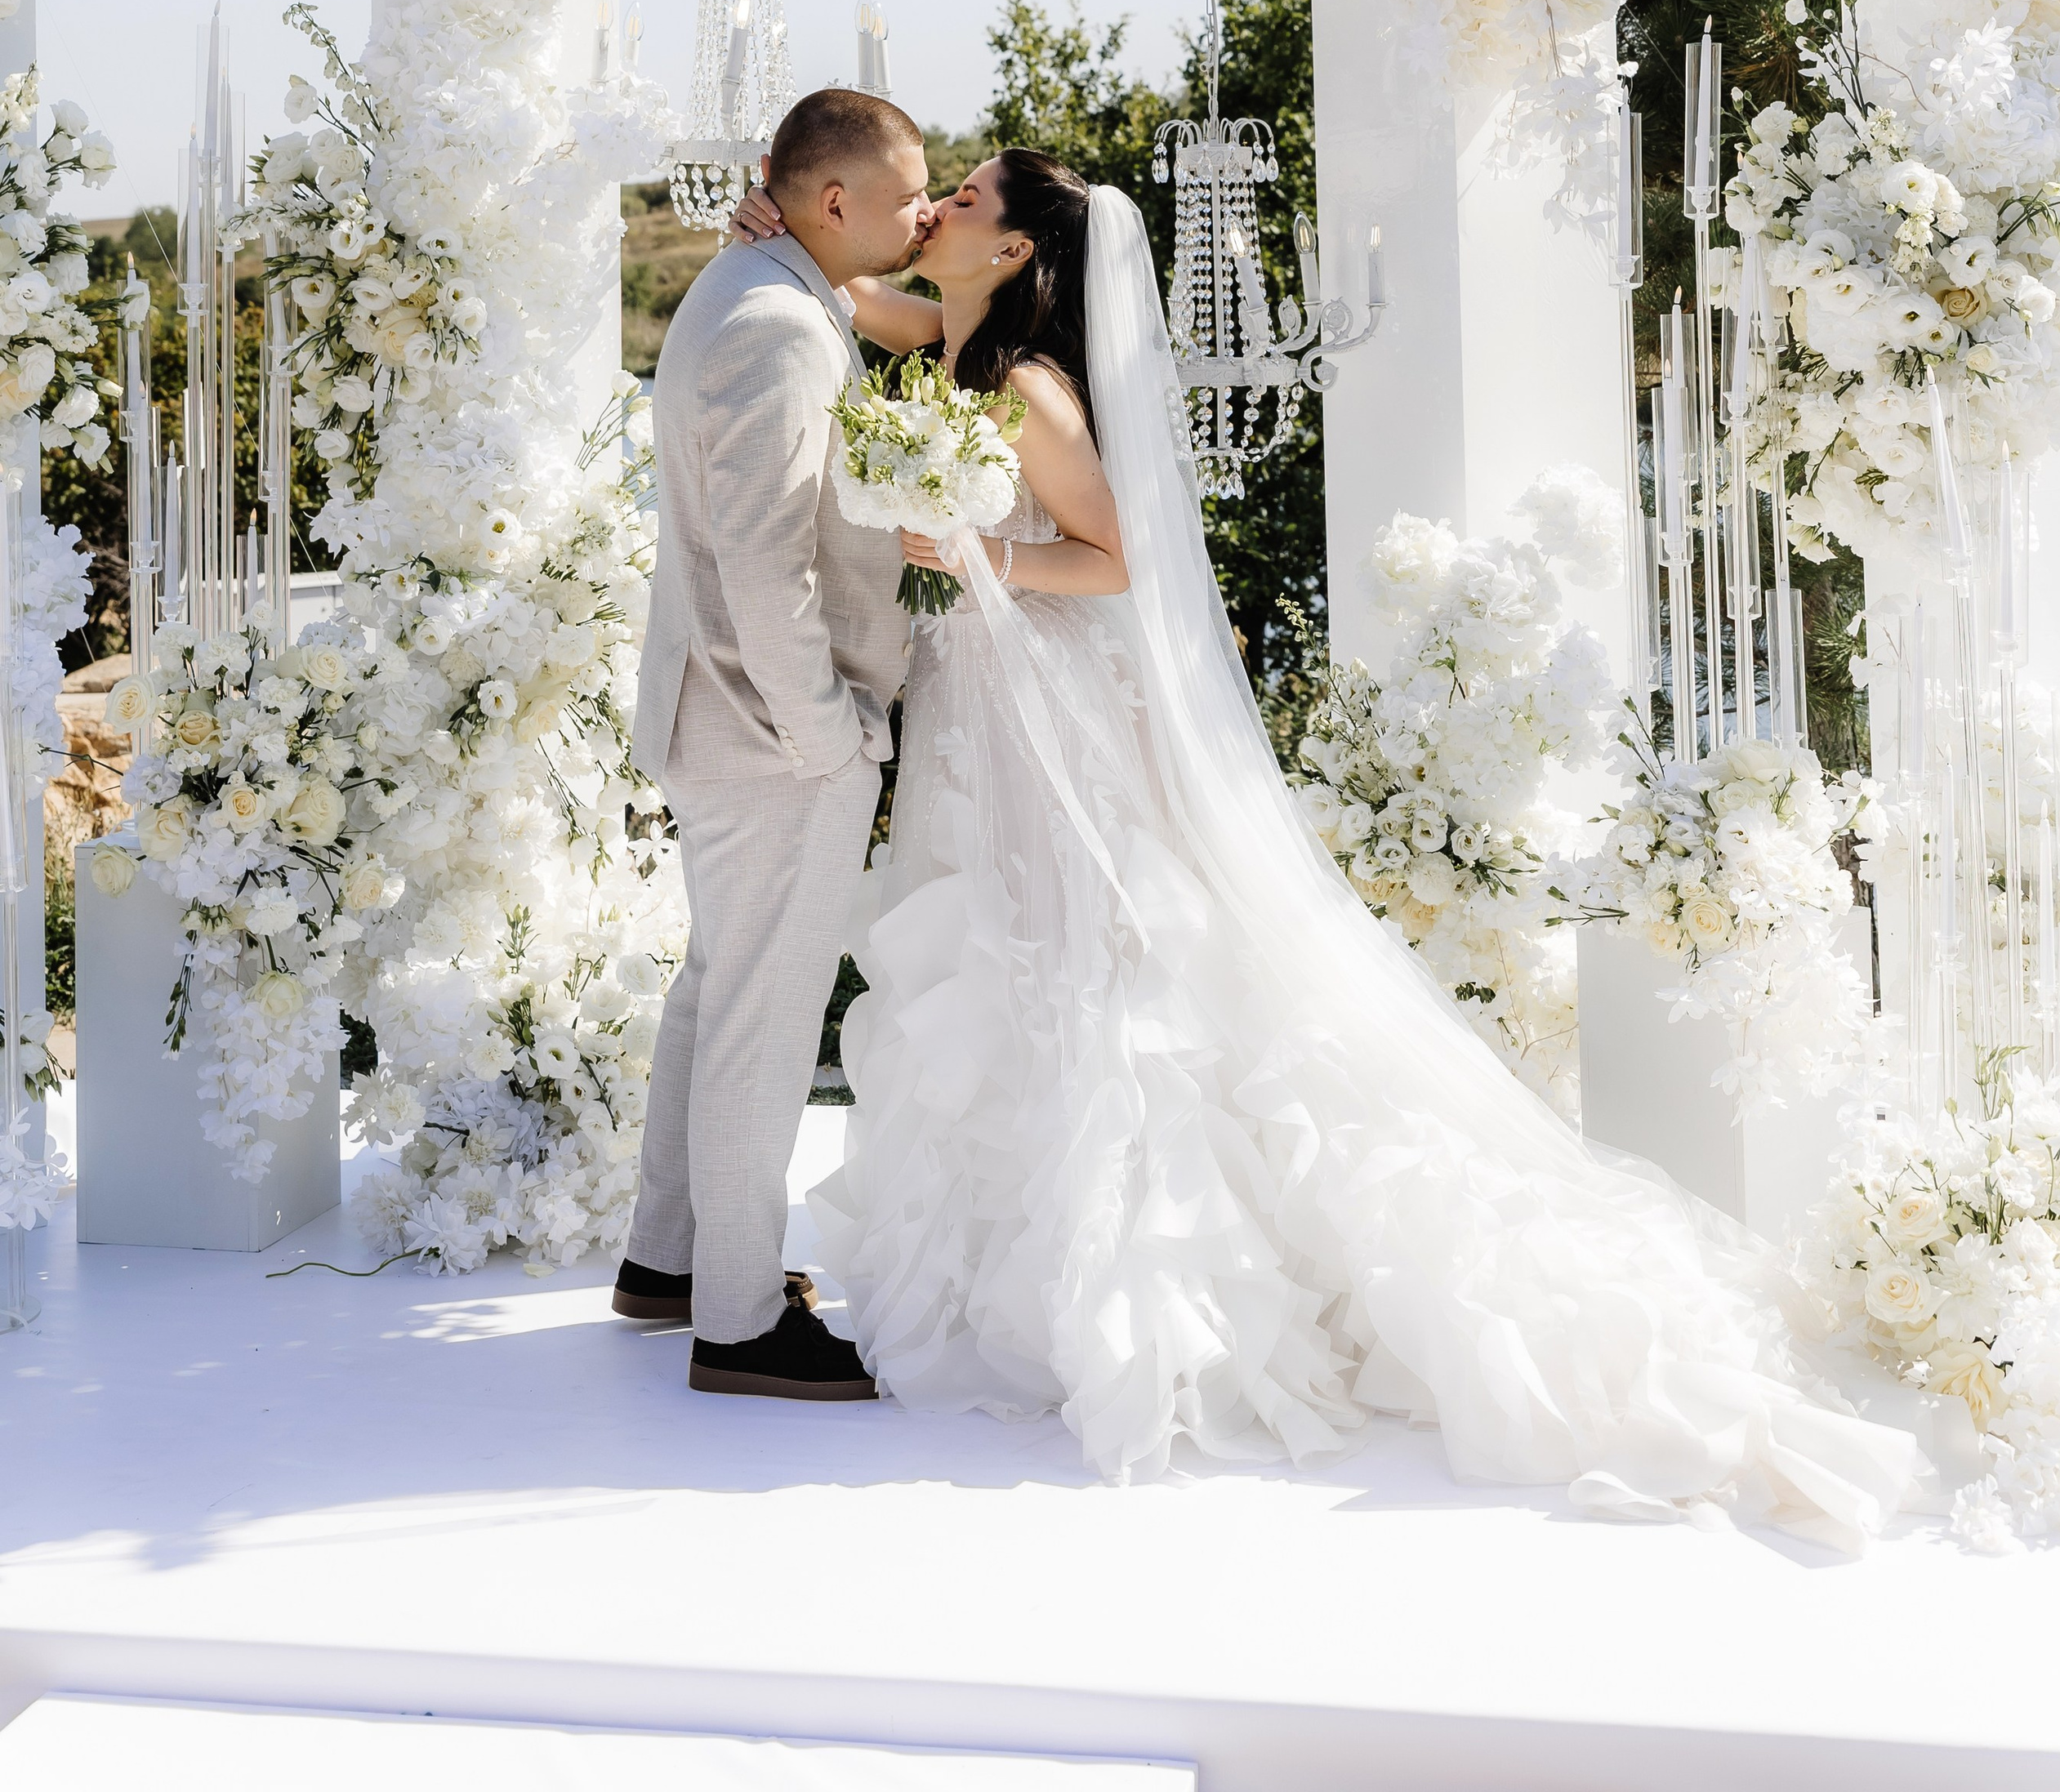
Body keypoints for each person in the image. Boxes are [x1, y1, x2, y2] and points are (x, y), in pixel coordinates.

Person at [725, 150, 1929, 1544]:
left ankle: (1150, 1294)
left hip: (1051, 707)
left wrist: (977, 556)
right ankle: (1016, 1274)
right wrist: (772, 234)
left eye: (969, 201)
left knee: (1092, 969)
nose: (938, 209)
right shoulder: (959, 332)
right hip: (987, 712)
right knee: (1004, 959)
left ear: (1010, 255)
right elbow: (860, 299)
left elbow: (1116, 555)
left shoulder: (1027, 388)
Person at [613, 87, 934, 1401]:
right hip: (767, 733)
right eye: (913, 190)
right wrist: (830, 739)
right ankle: (739, 1323)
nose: (927, 206)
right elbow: (763, 565)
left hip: (727, 721)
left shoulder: (769, 284)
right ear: (836, 201)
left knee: (715, 991)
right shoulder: (777, 329)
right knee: (761, 1012)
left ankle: (670, 1261)